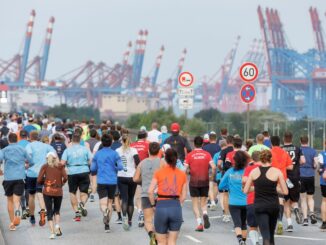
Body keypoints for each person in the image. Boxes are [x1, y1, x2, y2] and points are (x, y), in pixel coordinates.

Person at [244, 150, 288, 245]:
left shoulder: (253, 172)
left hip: (260, 206)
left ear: (260, 159)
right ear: (271, 159)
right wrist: (274, 187)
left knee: (265, 234)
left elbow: (245, 190)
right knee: (271, 234)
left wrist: (258, 187)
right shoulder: (277, 172)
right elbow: (285, 191)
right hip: (273, 206)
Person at [148, 148, 187, 245]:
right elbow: (184, 196)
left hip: (161, 206)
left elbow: (150, 191)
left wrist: (153, 205)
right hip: (175, 206)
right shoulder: (182, 174)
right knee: (172, 241)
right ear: (176, 159)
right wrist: (178, 203)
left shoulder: (158, 172)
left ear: (165, 159)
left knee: (161, 241)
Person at [90, 134, 123, 232]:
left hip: (101, 181)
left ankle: (105, 212)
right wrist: (115, 167)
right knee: (110, 201)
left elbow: (92, 168)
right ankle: (107, 225)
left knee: (103, 203)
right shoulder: (115, 153)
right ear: (111, 142)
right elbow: (120, 167)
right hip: (112, 181)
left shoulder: (97, 154)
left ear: (102, 142)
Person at [133, 142, 163, 245]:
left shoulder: (142, 163)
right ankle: (161, 239)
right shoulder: (162, 162)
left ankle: (151, 235)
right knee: (160, 220)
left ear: (148, 151)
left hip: (146, 193)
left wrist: (144, 181)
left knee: (148, 220)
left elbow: (135, 178)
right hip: (160, 194)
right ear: (159, 151)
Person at [0, 133, 31, 231]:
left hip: (8, 178)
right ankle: (18, 213)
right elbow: (31, 161)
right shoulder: (22, 149)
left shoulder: (4, 150)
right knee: (16, 200)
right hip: (19, 177)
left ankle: (12, 223)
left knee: (9, 200)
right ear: (17, 139)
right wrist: (25, 165)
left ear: (8, 140)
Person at [184, 136, 216, 232]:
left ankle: (199, 224)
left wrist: (186, 175)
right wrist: (211, 176)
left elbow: (184, 169)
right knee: (203, 202)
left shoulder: (190, 155)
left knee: (195, 203)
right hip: (205, 181)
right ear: (202, 144)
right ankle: (205, 213)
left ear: (194, 144)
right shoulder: (207, 154)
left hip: (194, 182)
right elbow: (213, 167)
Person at [26, 131, 56, 226]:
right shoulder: (45, 146)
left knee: (31, 195)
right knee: (41, 193)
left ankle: (32, 217)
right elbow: (54, 154)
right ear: (39, 137)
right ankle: (43, 210)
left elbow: (27, 158)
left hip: (31, 173)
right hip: (43, 173)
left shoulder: (29, 146)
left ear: (30, 138)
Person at [61, 133, 92, 222]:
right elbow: (91, 160)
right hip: (84, 170)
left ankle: (77, 212)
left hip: (72, 172)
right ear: (80, 140)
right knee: (84, 192)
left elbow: (62, 163)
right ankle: (82, 203)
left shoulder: (68, 150)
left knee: (72, 192)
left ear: (71, 140)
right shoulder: (85, 149)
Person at [219, 151, 248, 245]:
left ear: (234, 161)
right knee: (244, 224)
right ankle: (243, 241)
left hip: (234, 202)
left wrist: (229, 186)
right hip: (247, 202)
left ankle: (240, 240)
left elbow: (221, 186)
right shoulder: (248, 171)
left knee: (237, 224)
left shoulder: (230, 171)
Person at [37, 152, 67, 239]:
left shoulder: (45, 166)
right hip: (58, 191)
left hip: (47, 191)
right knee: (57, 210)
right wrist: (62, 183)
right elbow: (65, 177)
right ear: (55, 158)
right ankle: (57, 225)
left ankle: (52, 233)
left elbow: (39, 180)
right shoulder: (60, 166)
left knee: (49, 211)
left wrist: (45, 182)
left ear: (47, 159)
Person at [282, 132, 305, 231]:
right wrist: (296, 164)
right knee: (294, 200)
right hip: (295, 177)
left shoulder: (281, 149)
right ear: (292, 138)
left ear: (284, 139)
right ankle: (295, 208)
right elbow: (303, 161)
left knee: (286, 202)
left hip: (284, 177)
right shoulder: (297, 148)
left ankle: (290, 225)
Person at [270, 135, 293, 235]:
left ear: (271, 143)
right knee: (280, 200)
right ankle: (280, 221)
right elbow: (291, 167)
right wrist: (282, 167)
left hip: (271, 177)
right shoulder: (284, 153)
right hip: (282, 178)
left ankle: (270, 222)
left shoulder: (269, 152)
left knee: (269, 200)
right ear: (280, 142)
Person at [116, 135, 140, 231]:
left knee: (124, 199)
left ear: (121, 141)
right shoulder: (133, 150)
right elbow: (138, 162)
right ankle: (130, 220)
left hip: (121, 176)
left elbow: (115, 163)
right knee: (131, 199)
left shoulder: (117, 151)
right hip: (132, 176)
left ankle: (124, 217)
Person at [131, 130, 150, 227]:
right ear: (145, 137)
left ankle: (140, 213)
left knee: (137, 195)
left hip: (134, 172)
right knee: (146, 194)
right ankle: (144, 213)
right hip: (146, 172)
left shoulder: (132, 145)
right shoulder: (148, 145)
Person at [299, 135, 318, 226]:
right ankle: (312, 213)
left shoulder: (299, 150)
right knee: (310, 197)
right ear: (308, 141)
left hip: (301, 175)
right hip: (310, 175)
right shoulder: (313, 151)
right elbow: (316, 163)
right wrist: (314, 166)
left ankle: (305, 219)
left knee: (303, 198)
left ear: (300, 141)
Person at [217, 135, 234, 222]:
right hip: (237, 174)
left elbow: (219, 163)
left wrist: (221, 170)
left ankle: (226, 215)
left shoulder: (224, 151)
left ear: (227, 142)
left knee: (225, 195)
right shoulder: (236, 151)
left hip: (226, 174)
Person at [203, 131, 221, 211]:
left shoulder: (205, 147)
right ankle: (213, 199)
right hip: (217, 167)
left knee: (209, 184)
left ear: (209, 139)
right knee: (216, 184)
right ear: (216, 139)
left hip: (208, 167)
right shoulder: (219, 147)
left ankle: (211, 200)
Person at [18, 130, 30, 220]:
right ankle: (28, 206)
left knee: (20, 190)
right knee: (27, 189)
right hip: (29, 169)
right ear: (27, 136)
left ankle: (23, 209)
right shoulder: (30, 144)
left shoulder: (17, 145)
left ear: (20, 136)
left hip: (19, 170)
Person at [318, 140, 326, 231]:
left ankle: (324, 223)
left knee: (324, 201)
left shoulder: (322, 155)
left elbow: (320, 170)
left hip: (324, 181)